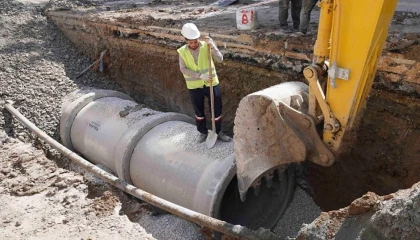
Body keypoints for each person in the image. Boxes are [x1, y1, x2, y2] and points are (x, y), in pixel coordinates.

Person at [177, 23, 231, 143]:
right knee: (199, 110)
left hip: (211, 83)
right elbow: (183, 69)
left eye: (195, 41)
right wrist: (200, 76)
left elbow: (220, 59)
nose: (194, 44)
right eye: (191, 42)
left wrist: (213, 46)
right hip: (194, 86)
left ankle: (218, 132)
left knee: (216, 108)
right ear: (186, 40)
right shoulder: (182, 52)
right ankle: (203, 132)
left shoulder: (206, 46)